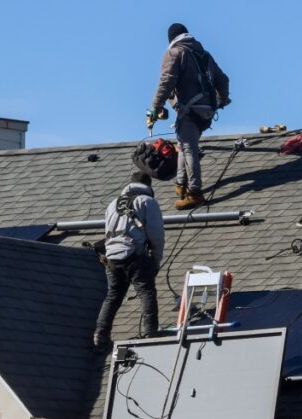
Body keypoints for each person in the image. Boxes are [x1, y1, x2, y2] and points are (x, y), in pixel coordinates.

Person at [147, 23, 231, 210]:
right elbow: (223, 79)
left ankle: (194, 193)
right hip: (207, 111)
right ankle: (180, 184)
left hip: (190, 110)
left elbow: (167, 81)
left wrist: (155, 107)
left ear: (171, 39)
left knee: (188, 148)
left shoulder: (175, 53)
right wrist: (222, 99)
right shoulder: (203, 54)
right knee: (183, 145)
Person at [93, 172, 165, 353]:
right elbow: (156, 236)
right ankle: (150, 333)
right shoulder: (146, 202)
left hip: (111, 258)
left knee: (113, 295)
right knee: (146, 292)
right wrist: (155, 262)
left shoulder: (112, 205)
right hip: (134, 254)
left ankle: (100, 336)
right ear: (149, 187)